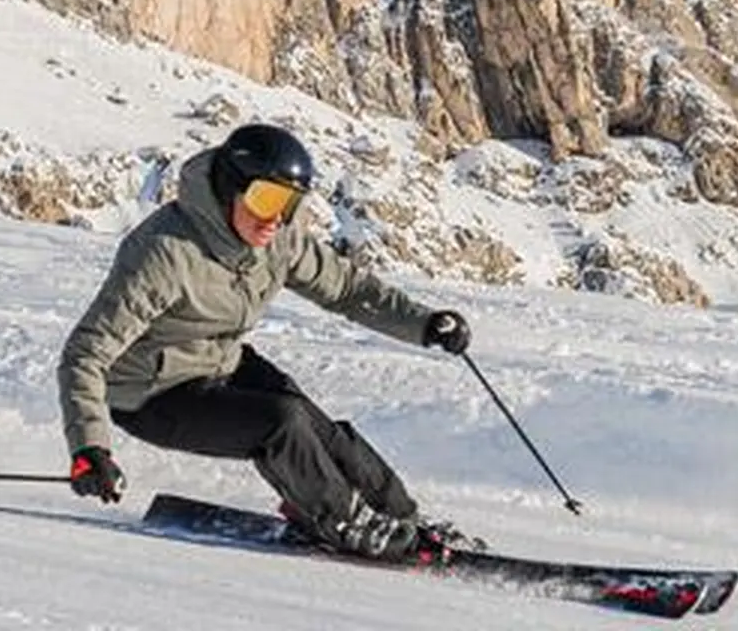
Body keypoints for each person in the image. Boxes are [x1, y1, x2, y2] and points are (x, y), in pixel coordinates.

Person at [56, 121, 476, 561]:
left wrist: (424, 323)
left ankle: (398, 514)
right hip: (150, 393)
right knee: (281, 422)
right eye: (266, 199)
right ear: (228, 189)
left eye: (290, 203)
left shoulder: (277, 238)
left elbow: (348, 290)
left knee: (318, 427)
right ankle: (342, 520)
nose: (276, 217)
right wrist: (90, 448)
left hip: (218, 362)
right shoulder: (164, 252)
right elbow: (85, 353)